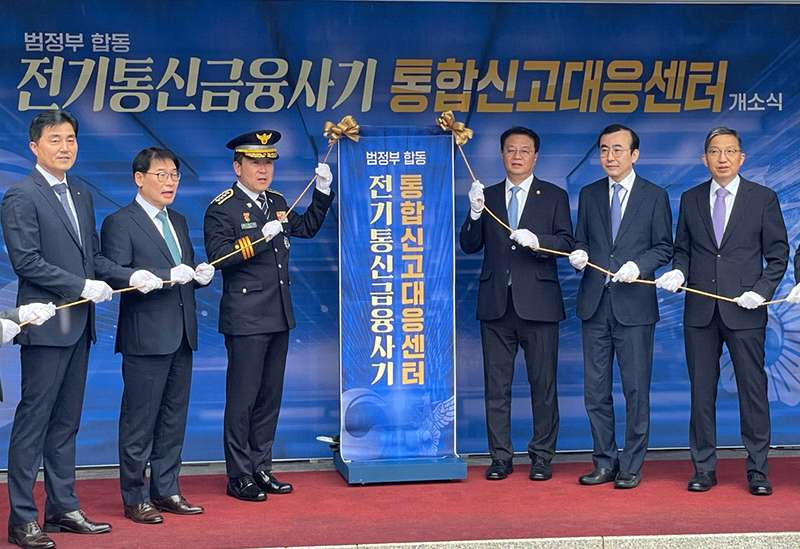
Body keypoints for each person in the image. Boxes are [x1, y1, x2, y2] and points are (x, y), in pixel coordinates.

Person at [1, 110, 158, 549]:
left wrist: (130, 275)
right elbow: (26, 261)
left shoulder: (80, 194)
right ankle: (22, 519)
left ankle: (63, 507)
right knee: (33, 422)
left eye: (71, 138)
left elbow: (93, 258)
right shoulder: (20, 195)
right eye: (55, 139)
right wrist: (80, 285)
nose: (65, 147)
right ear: (35, 146)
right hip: (45, 324)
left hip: (80, 323)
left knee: (66, 422)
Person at [656, 127, 788, 496]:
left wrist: (760, 292)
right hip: (699, 313)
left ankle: (758, 470)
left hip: (745, 311)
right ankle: (703, 468)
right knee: (701, 393)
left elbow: (778, 255)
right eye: (715, 151)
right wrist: (679, 271)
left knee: (752, 391)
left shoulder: (762, 198)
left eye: (730, 151)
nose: (723, 158)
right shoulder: (691, 198)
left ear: (742, 158)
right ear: (705, 159)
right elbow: (683, 249)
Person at [203, 130, 334, 501]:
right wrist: (262, 237)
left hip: (278, 314)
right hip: (246, 318)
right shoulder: (222, 207)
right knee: (242, 399)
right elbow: (219, 257)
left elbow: (306, 227)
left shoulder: (276, 201)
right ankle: (238, 475)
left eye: (268, 163)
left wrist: (322, 191)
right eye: (255, 162)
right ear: (237, 166)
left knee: (269, 398)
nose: (263, 170)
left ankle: (261, 467)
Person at [100, 147, 215, 524]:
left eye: (174, 176)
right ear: (139, 178)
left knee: (172, 418)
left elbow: (183, 271)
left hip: (182, 333)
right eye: (161, 175)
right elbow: (109, 269)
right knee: (139, 419)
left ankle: (166, 489)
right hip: (145, 336)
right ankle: (135, 497)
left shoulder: (178, 220)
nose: (170, 183)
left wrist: (199, 276)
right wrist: (147, 276)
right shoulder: (121, 221)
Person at [459, 126, 574, 481]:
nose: (517, 156)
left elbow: (567, 243)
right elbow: (469, 245)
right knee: (497, 387)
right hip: (496, 305)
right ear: (502, 154)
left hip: (539, 304)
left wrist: (539, 241)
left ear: (535, 156)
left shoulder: (553, 195)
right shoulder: (488, 195)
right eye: (511, 150)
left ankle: (542, 457)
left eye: (524, 150)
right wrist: (474, 213)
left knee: (543, 385)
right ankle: (500, 457)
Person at [569, 124, 673, 489]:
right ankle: (604, 462)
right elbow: (581, 240)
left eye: (617, 149)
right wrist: (579, 254)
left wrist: (638, 266)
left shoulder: (654, 195)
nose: (609, 156)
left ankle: (631, 464)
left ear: (634, 155)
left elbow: (664, 247)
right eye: (603, 149)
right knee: (595, 391)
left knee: (635, 390)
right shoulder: (589, 194)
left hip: (635, 307)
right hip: (595, 305)